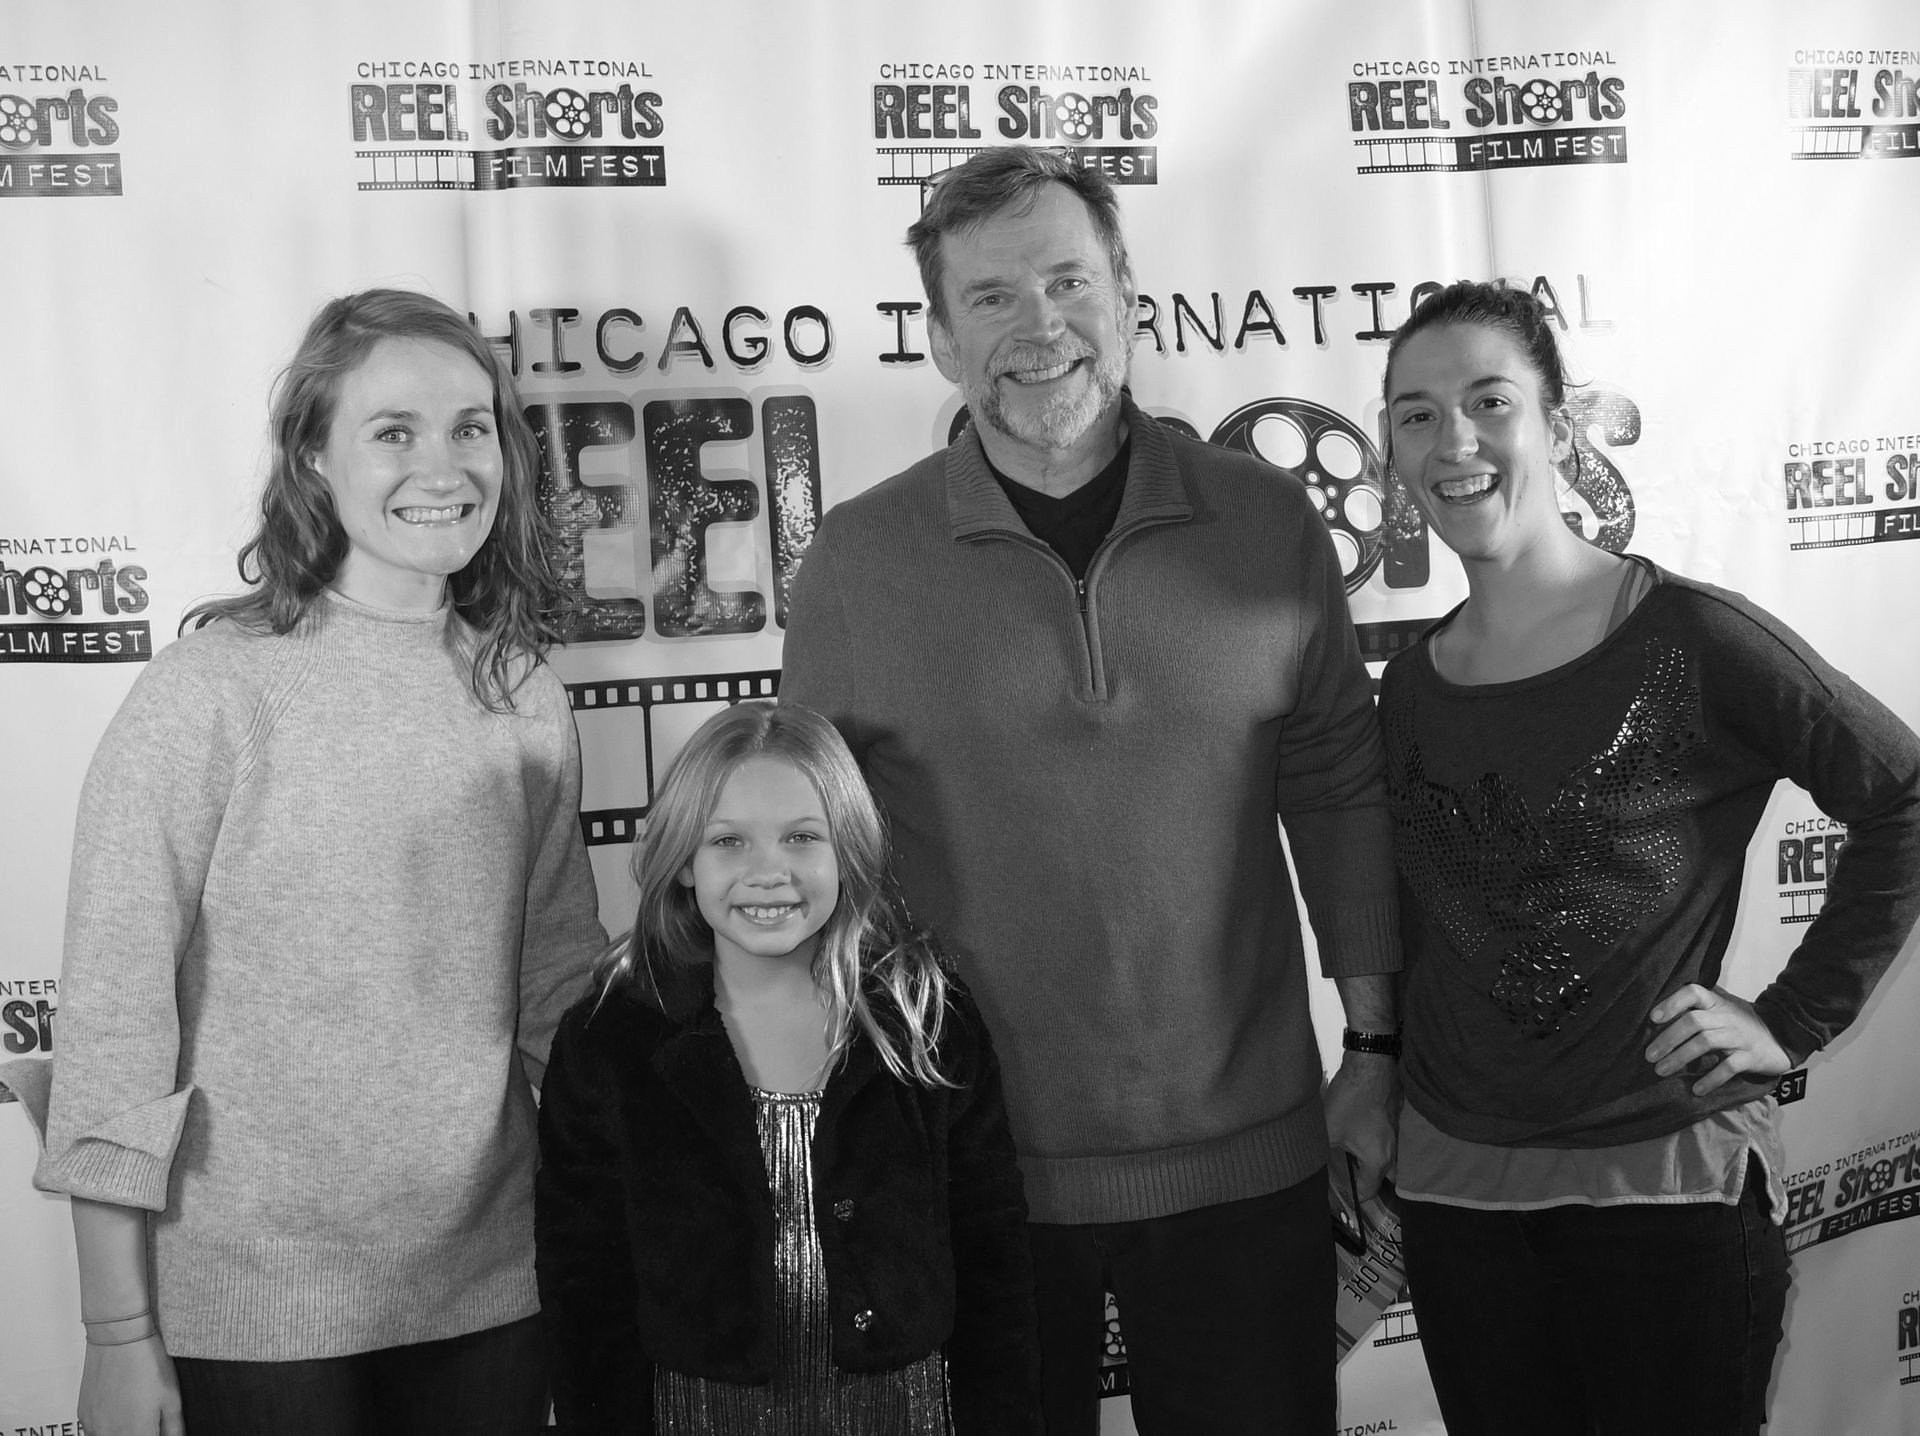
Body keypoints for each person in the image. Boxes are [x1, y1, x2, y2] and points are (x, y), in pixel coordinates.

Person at [779, 144, 1401, 1435]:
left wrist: (1380, 1042)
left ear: (1129, 299)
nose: (1040, 325)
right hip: (969, 1165)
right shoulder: (856, 559)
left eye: (1069, 281)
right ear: (942, 340)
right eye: (993, 298)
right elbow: (806, 854)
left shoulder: (1268, 522)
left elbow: (1339, 786)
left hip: (1253, 1156)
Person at [32, 289, 607, 1436]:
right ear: (313, 454)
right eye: (393, 430)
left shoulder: (523, 696)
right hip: (249, 1310)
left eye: (472, 426)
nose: (444, 464)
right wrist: (115, 1334)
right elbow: (113, 1024)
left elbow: (564, 1002)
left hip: (490, 1290)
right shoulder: (211, 694)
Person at [1375, 279, 1920, 1436]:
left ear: (1558, 427)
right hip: (1456, 1202)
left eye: (1488, 401)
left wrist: (1793, 1017)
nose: (1453, 441)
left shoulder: (1695, 638)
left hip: (1662, 1198)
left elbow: (1904, 796)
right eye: (1416, 413)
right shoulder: (1411, 686)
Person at [534, 700, 1041, 1434]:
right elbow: (587, 1294)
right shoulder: (612, 1041)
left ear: (849, 850)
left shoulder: (928, 1017)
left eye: (802, 837)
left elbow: (992, 1258)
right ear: (682, 861)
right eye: (729, 842)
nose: (768, 872)